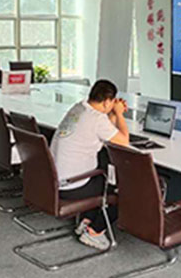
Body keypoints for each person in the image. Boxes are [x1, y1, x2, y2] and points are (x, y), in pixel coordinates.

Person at [50, 79, 129, 250]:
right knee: (121, 191)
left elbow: (105, 130)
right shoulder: (97, 119)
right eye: (112, 102)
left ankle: (86, 222)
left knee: (103, 176)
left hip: (54, 180)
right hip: (72, 186)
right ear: (107, 101)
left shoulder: (80, 108)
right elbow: (124, 141)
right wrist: (120, 114)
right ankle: (94, 232)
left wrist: (112, 114)